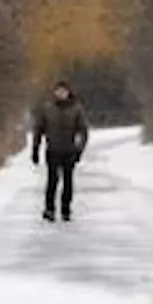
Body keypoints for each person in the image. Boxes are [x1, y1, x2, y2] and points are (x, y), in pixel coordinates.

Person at [31, 79, 89, 222]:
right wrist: (35, 149)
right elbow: (38, 130)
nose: (61, 94)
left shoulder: (76, 108)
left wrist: (79, 150)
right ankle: (49, 209)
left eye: (63, 91)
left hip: (69, 150)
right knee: (52, 180)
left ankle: (66, 209)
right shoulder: (47, 108)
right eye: (58, 91)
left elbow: (83, 131)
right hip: (53, 150)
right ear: (54, 92)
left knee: (68, 181)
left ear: (68, 92)